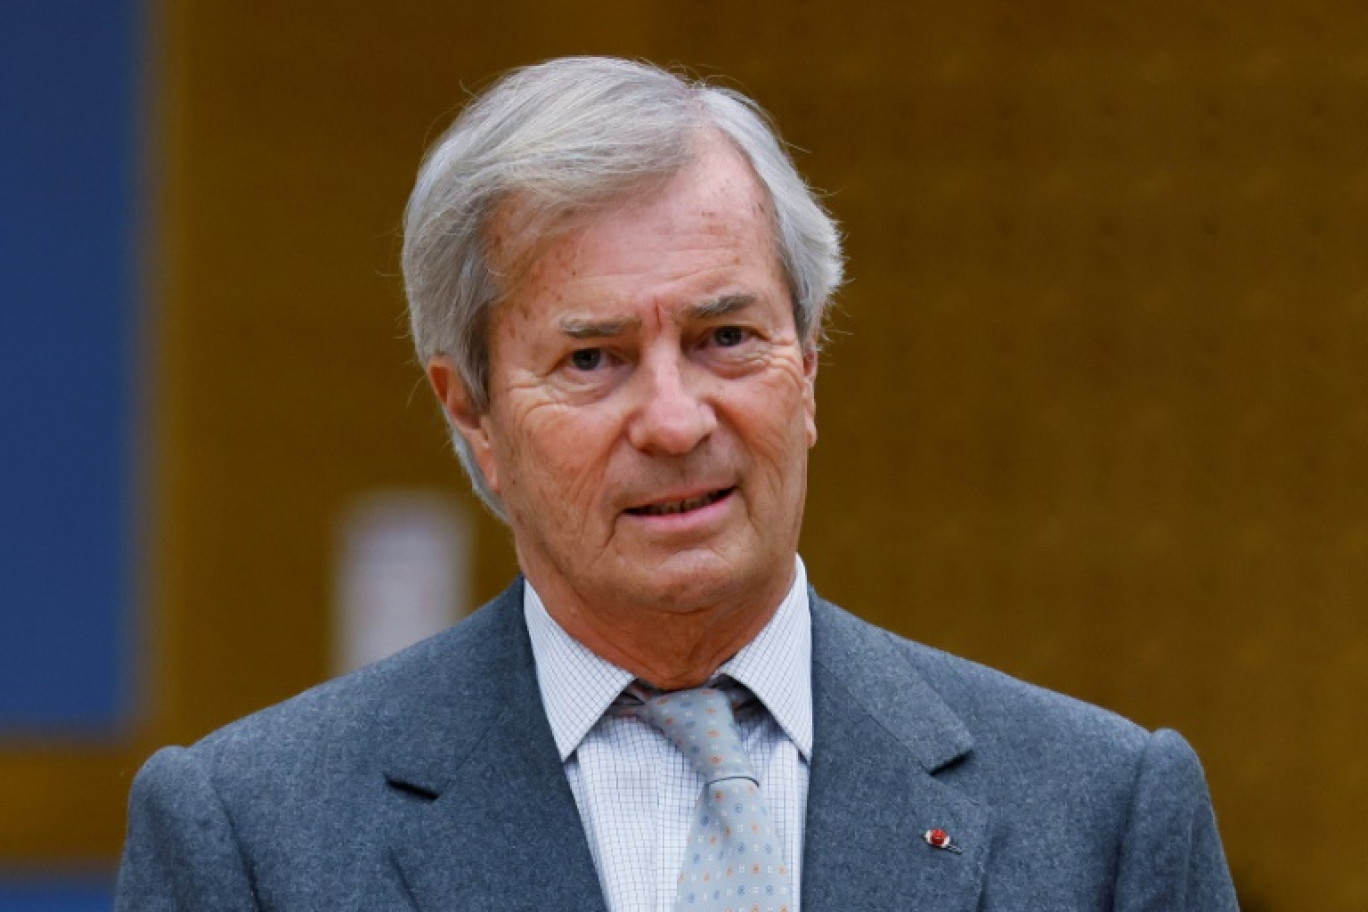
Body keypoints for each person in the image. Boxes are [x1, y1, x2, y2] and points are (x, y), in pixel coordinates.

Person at [116, 56, 1237, 910]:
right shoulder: (257, 840)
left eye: (726, 335)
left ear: (810, 366)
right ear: (473, 414)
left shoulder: (1100, 817)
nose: (673, 419)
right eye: (592, 358)